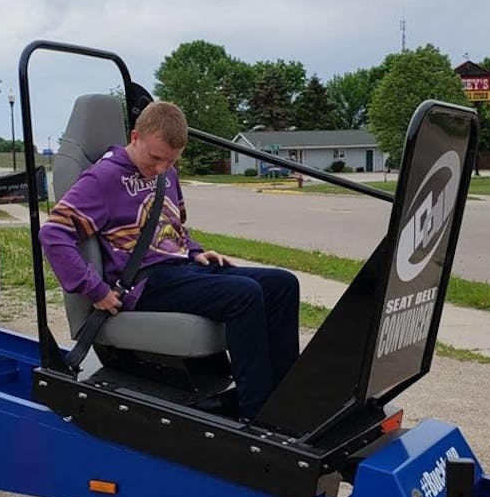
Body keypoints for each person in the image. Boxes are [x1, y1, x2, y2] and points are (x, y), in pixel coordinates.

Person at [40, 101, 299, 421]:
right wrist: (94, 289)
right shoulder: (102, 178)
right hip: (143, 281)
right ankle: (257, 413)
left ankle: (286, 400)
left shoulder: (167, 174)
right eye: (156, 158)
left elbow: (173, 228)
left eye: (171, 161)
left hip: (179, 267)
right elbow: (53, 234)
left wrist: (194, 250)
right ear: (135, 137)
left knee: (283, 284)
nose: (162, 168)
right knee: (243, 294)